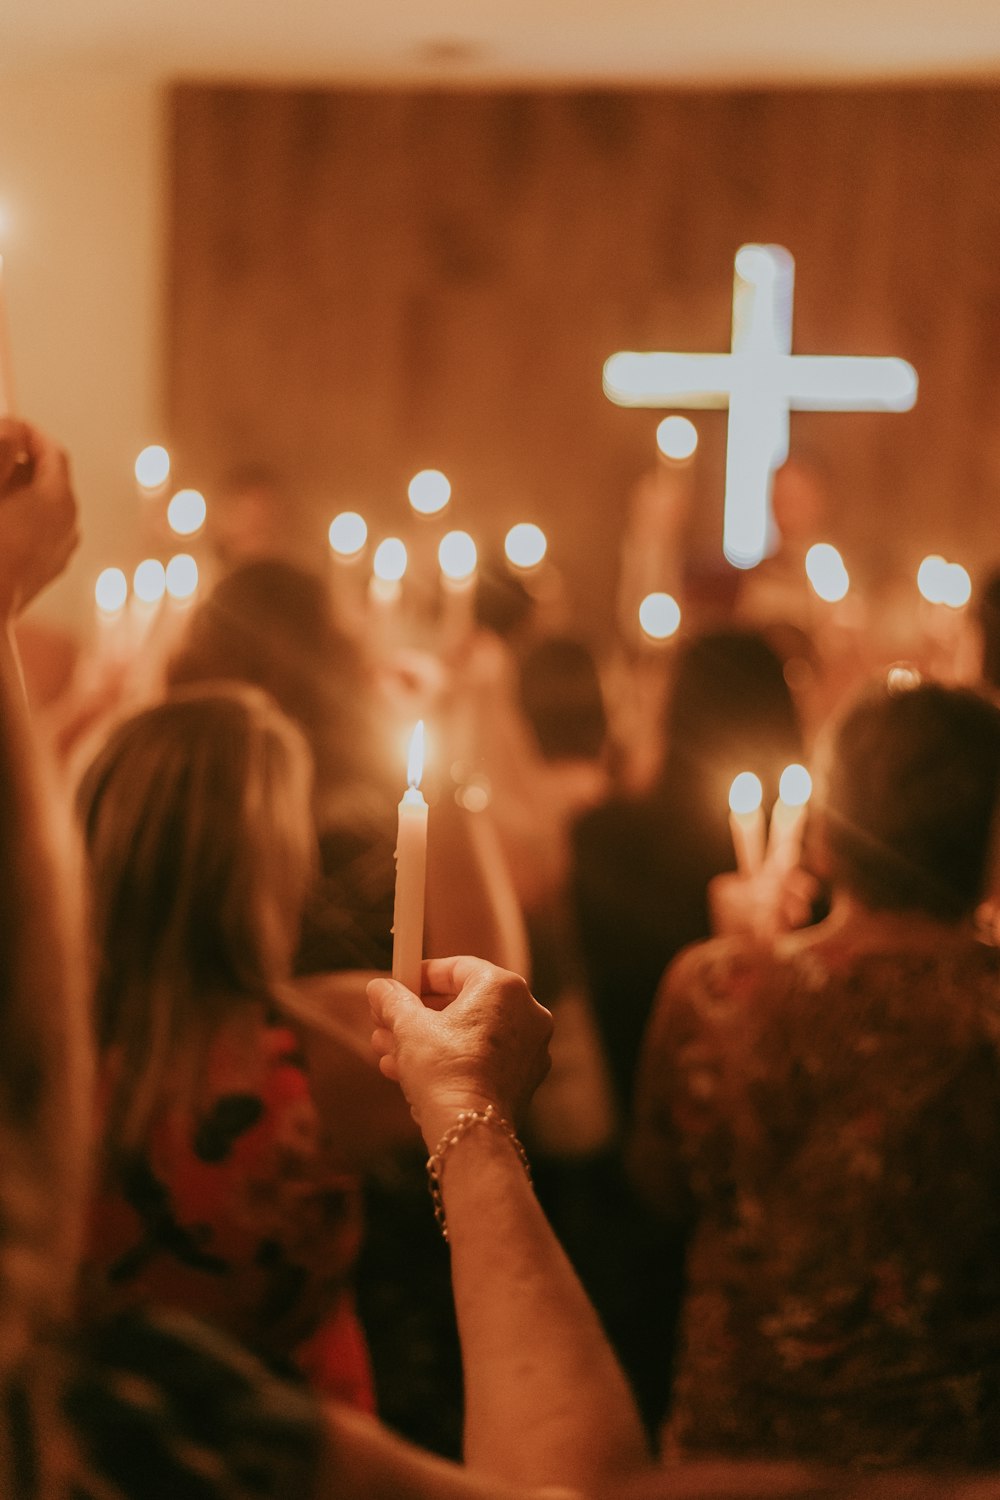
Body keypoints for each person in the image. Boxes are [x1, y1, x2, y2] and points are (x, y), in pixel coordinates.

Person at [630, 676, 1000, 1467]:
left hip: (733, 1455)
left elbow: (658, 1188)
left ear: (824, 836)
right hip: (949, 1463)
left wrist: (751, 975)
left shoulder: (713, 991)